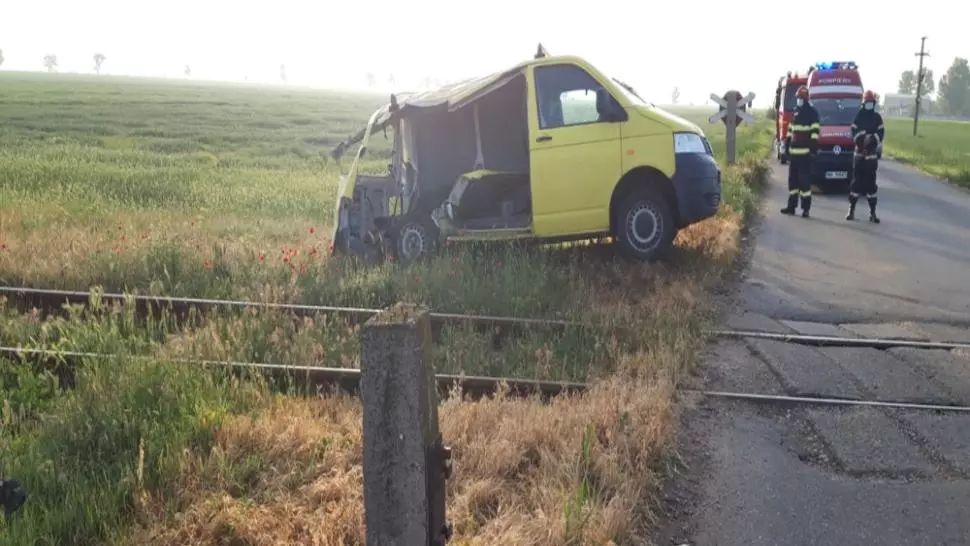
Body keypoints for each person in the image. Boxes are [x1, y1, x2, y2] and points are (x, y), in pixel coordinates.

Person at [781, 86, 820, 218]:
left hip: (805, 155)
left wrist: (813, 150)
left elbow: (815, 133)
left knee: (804, 184)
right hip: (794, 155)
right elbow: (790, 131)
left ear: (805, 99)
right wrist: (786, 146)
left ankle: (805, 209)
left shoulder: (812, 113)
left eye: (800, 98)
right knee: (792, 183)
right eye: (798, 98)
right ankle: (791, 207)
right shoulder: (795, 112)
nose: (798, 100)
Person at [847, 90, 885, 222]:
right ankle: (851, 210)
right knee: (855, 185)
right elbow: (854, 131)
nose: (869, 104)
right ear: (864, 103)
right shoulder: (859, 116)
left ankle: (872, 213)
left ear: (873, 103)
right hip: (859, 157)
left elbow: (881, 133)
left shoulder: (877, 117)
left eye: (871, 102)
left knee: (871, 186)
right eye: (867, 102)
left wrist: (872, 139)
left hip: (871, 158)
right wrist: (863, 139)